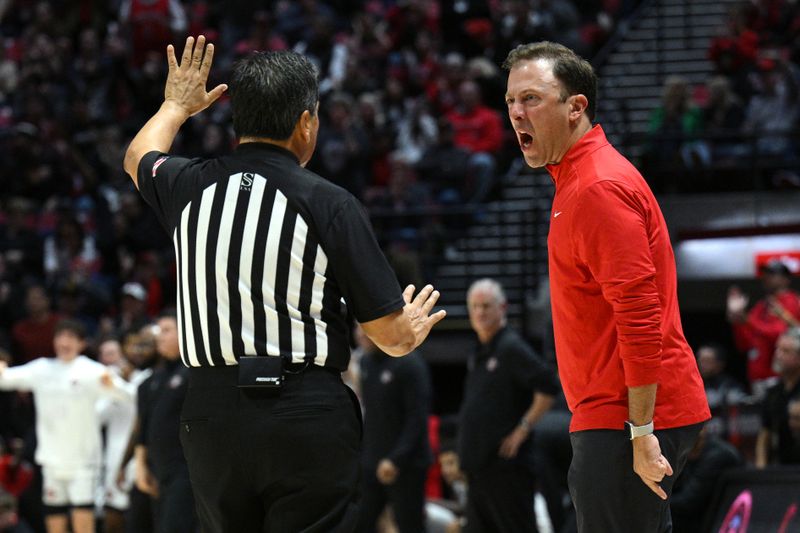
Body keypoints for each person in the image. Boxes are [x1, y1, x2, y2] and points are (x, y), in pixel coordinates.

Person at [122, 35, 445, 532]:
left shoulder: (186, 186)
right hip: (303, 412)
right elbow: (390, 337)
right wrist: (410, 329)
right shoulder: (329, 202)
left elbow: (139, 154)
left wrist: (175, 104)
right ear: (306, 122)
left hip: (210, 412)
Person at [503, 41, 710, 532]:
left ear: (576, 107)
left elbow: (638, 316)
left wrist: (641, 432)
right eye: (510, 101)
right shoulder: (578, 180)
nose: (515, 113)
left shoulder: (596, 188)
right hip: (618, 413)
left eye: (531, 98)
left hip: (626, 417)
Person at [0, 319, 130, 533]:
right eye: (61, 337)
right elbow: (6, 379)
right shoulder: (42, 368)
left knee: (82, 516)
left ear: (81, 343)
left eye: (71, 338)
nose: (65, 342)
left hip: (83, 461)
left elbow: (129, 395)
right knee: (54, 516)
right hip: (51, 459)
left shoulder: (92, 371)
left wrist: (114, 386)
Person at [458, 278, 559, 533]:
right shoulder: (480, 349)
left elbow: (548, 385)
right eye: (475, 306)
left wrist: (522, 429)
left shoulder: (510, 347)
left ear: (502, 307)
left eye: (486, 306)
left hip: (507, 468)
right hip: (481, 469)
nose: (480, 312)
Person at [355, 324, 432, 533]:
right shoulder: (365, 362)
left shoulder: (410, 363)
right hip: (372, 462)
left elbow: (417, 419)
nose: (360, 334)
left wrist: (395, 459)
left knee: (410, 525)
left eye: (366, 329)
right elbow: (371, 415)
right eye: (358, 328)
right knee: (359, 523)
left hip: (407, 464)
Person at [135, 311, 197, 533]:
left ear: (186, 332)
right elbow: (144, 427)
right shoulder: (153, 379)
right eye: (158, 331)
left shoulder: (195, 372)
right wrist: (141, 466)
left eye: (167, 330)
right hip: (158, 471)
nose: (159, 336)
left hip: (186, 469)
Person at [727, 258, 800, 397]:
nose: (766, 278)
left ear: (785, 279)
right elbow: (745, 344)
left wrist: (746, 320)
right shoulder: (762, 305)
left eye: (772, 274)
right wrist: (737, 320)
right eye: (766, 274)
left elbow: (781, 334)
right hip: (757, 377)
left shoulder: (791, 301)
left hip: (780, 376)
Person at [670, 427, 744, 533]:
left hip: (716, 521)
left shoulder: (717, 456)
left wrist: (655, 504)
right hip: (701, 517)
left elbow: (688, 501)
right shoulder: (686, 453)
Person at [755, 328, 800, 467]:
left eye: (785, 351)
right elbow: (765, 432)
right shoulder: (773, 392)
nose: (777, 355)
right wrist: (761, 465)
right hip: (782, 468)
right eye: (777, 349)